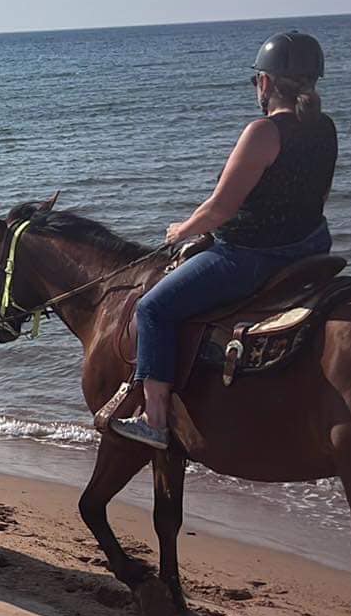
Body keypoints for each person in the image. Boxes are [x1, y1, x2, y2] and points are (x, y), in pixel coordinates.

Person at [109, 31, 337, 450]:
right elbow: (318, 196)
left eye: (256, 82)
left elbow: (221, 209)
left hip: (253, 257)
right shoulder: (324, 128)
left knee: (153, 307)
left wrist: (182, 230)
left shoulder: (264, 132)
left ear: (265, 83)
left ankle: (154, 420)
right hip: (311, 248)